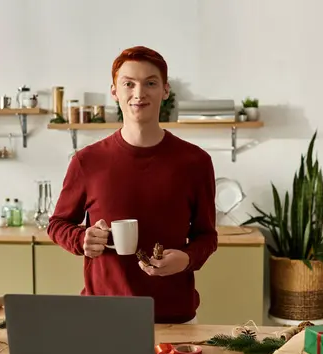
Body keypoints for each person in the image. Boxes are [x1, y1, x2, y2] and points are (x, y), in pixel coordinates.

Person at [47, 46, 218, 324]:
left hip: (175, 317)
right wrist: (82, 239)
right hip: (103, 315)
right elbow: (57, 224)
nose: (139, 93)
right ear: (114, 91)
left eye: (150, 83)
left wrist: (186, 259)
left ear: (165, 90)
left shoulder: (195, 162)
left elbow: (207, 236)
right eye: (129, 83)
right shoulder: (87, 161)